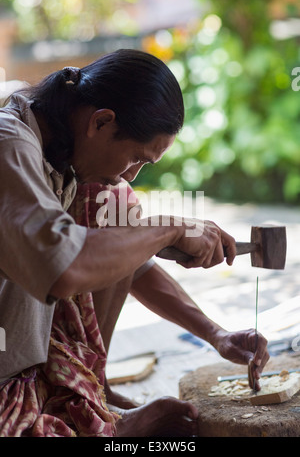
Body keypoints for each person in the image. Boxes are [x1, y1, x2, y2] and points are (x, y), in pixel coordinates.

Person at [0, 49, 269, 437]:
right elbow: (65, 268)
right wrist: (168, 230)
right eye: (136, 158)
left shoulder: (57, 144)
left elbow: (130, 264)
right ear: (101, 122)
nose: (130, 175)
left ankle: (93, 388)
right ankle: (111, 431)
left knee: (113, 204)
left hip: (21, 363)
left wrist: (217, 334)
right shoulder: (9, 144)